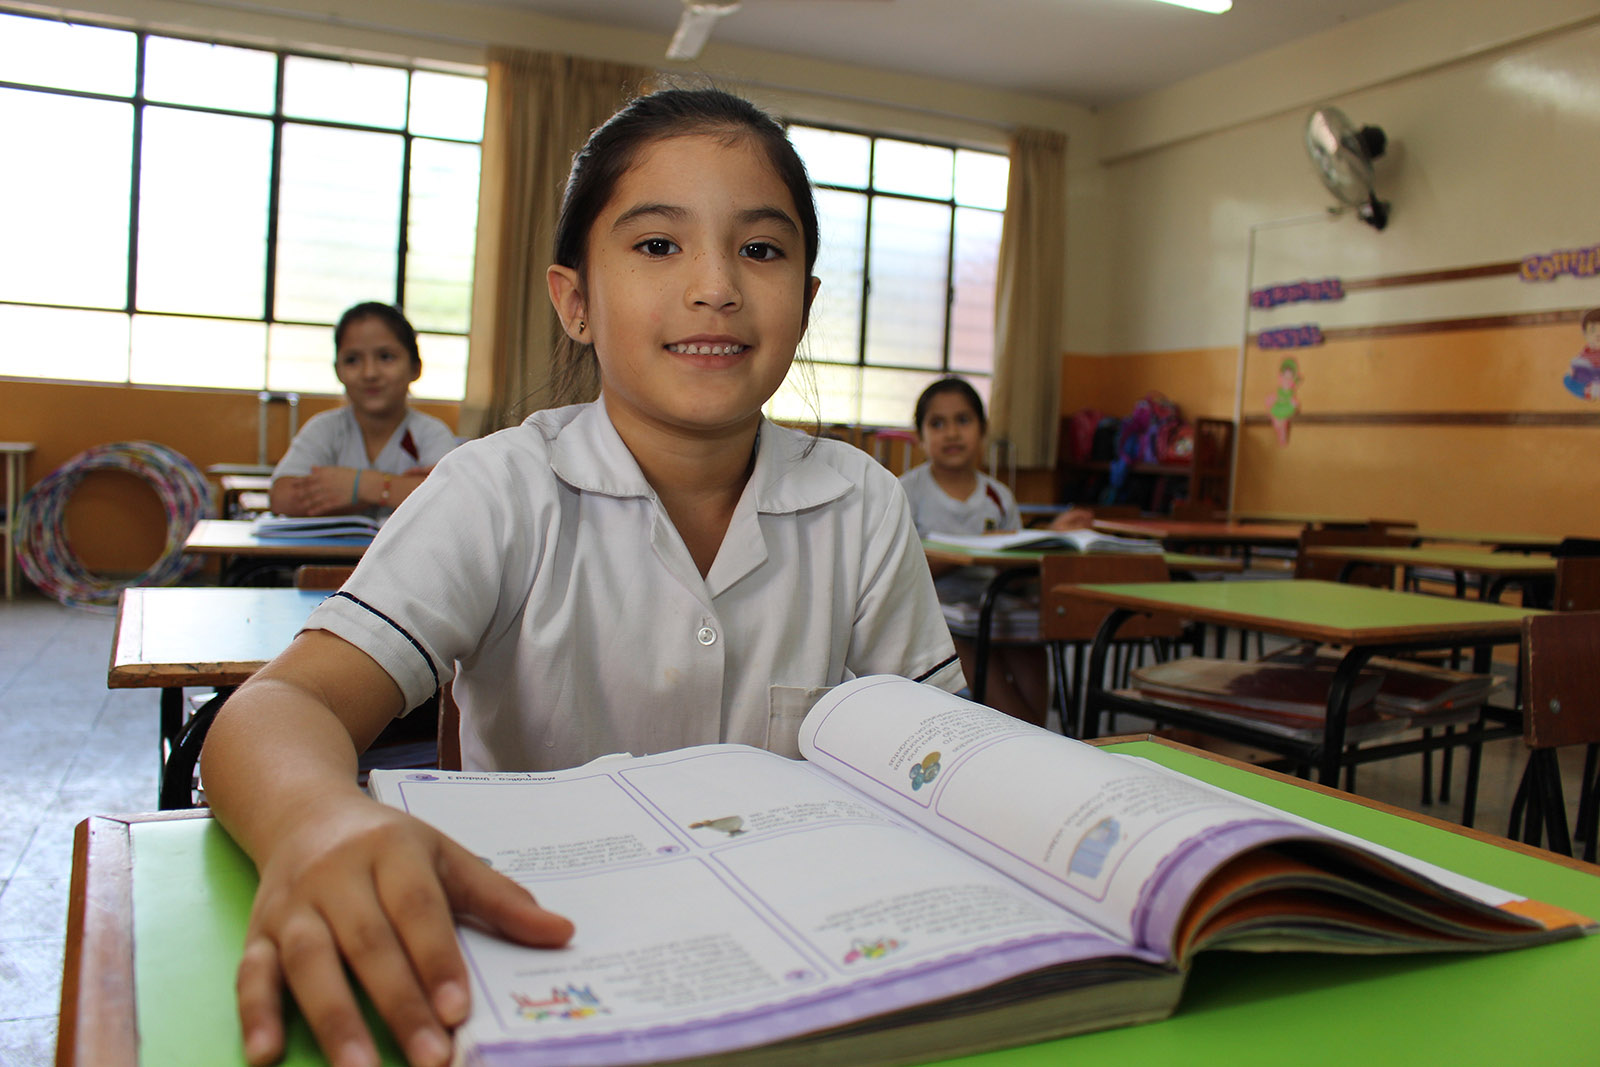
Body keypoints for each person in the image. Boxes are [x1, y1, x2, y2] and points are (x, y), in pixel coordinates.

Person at [200, 87, 962, 1067]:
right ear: (574, 301)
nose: (715, 285)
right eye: (656, 246)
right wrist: (315, 820)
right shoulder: (497, 488)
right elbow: (278, 708)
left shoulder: (861, 501)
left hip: (811, 967)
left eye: (761, 250)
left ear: (805, 302)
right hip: (545, 964)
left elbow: (939, 750)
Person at [899, 377, 1090, 727]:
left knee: (1032, 625)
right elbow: (903, 569)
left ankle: (1035, 730)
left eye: (964, 420)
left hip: (993, 601)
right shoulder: (906, 492)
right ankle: (1026, 735)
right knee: (959, 637)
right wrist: (965, 551)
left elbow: (1014, 563)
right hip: (937, 610)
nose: (952, 433)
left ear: (983, 430)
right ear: (920, 437)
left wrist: (1048, 537)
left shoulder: (998, 495)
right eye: (937, 423)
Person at [268, 302, 460, 519]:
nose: (369, 373)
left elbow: (449, 500)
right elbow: (282, 497)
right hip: (327, 553)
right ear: (338, 371)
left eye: (386, 357)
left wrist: (359, 486)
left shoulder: (430, 433)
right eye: (352, 360)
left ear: (416, 367)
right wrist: (400, 488)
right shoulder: (324, 429)